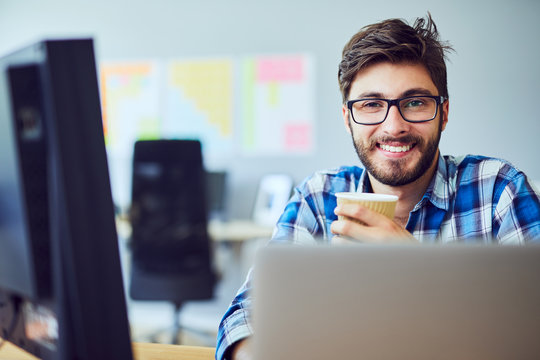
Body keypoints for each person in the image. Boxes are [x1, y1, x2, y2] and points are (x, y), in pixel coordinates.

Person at [215, 13, 540, 360]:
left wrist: (422, 274)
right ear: (347, 118)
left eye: (415, 102)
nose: (394, 126)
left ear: (443, 113)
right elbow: (246, 315)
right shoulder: (318, 196)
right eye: (371, 105)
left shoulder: (498, 191)